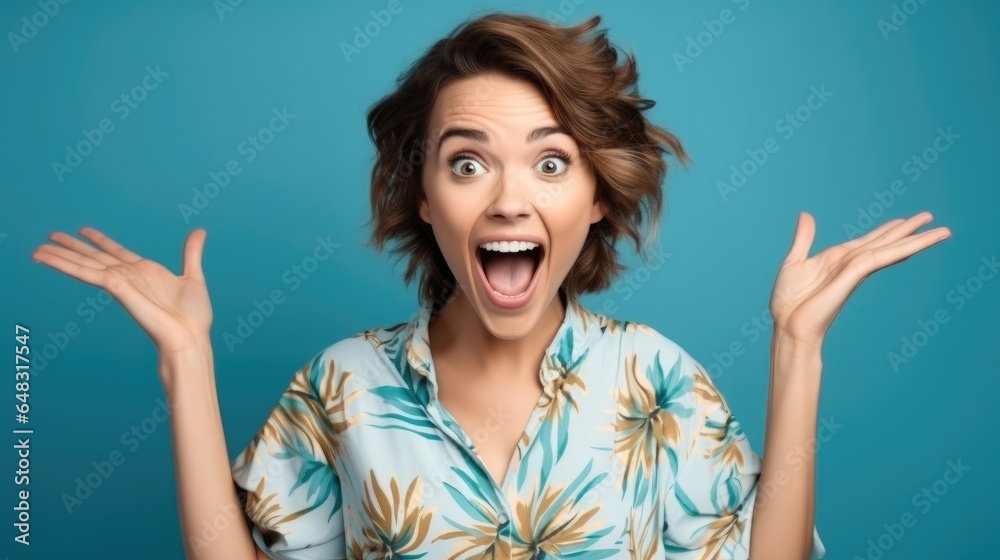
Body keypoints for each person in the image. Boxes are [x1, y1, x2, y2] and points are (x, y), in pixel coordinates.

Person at [30, 11, 950, 560]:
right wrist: (186, 364)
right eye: (468, 165)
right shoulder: (342, 386)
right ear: (423, 198)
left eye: (552, 165)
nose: (511, 199)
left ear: (596, 197)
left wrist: (798, 348)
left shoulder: (659, 383)